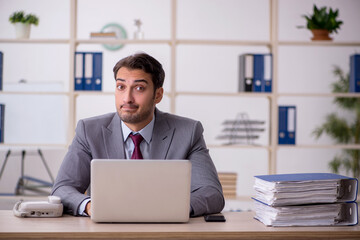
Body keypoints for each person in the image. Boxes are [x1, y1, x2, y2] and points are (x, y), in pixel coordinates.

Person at [51, 52, 224, 217]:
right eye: (121, 87)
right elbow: (63, 188)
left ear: (157, 95)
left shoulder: (188, 132)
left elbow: (211, 193)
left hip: (166, 231)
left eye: (139, 88)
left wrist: (173, 209)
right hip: (106, 230)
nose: (127, 98)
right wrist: (90, 206)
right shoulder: (89, 131)